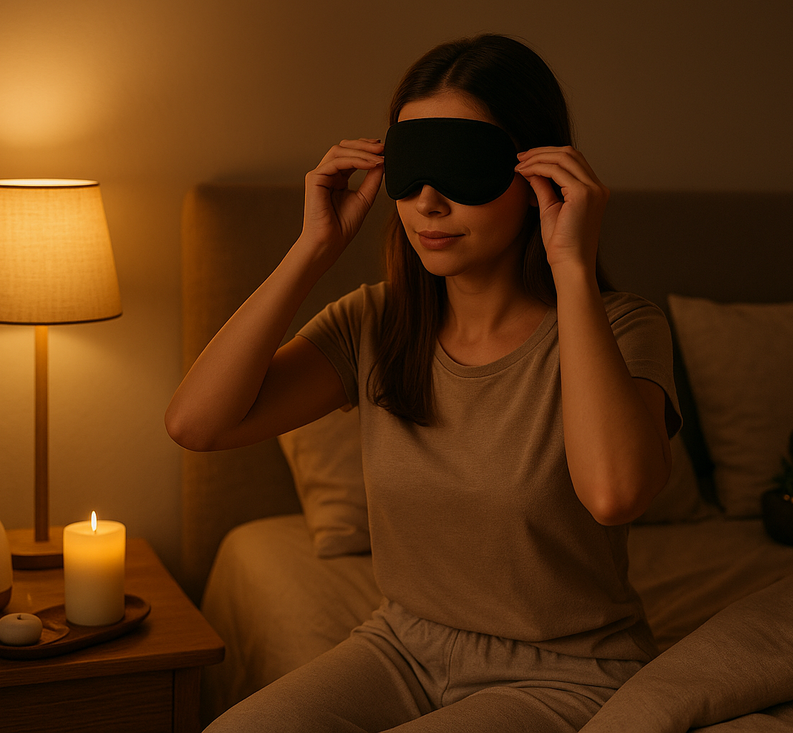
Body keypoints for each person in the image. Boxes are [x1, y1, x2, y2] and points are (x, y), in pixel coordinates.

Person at [166, 33, 681, 733]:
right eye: (412, 170)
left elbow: (616, 493)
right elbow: (197, 424)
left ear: (539, 178)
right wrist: (313, 248)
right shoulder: (377, 323)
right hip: (403, 646)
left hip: (568, 672)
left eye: (462, 168)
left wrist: (572, 269)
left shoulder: (622, 327)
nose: (430, 201)